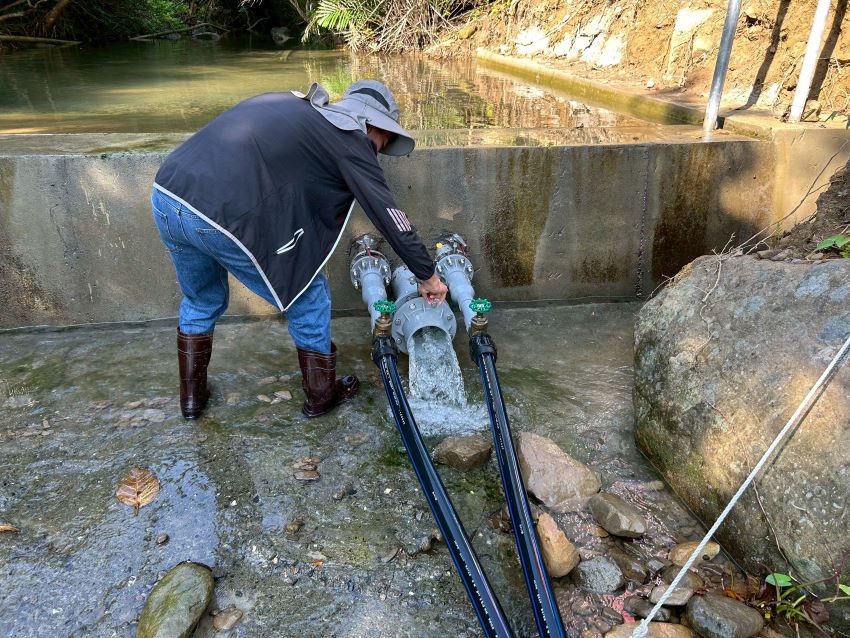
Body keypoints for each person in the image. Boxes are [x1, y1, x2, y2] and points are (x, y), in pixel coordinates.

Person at [151, 80, 447, 420]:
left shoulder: (287, 103)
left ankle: (191, 400)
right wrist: (427, 275)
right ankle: (321, 396)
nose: (379, 150)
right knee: (308, 292)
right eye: (386, 140)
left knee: (202, 299)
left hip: (165, 193)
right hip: (218, 215)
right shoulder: (350, 139)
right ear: (375, 125)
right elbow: (389, 216)